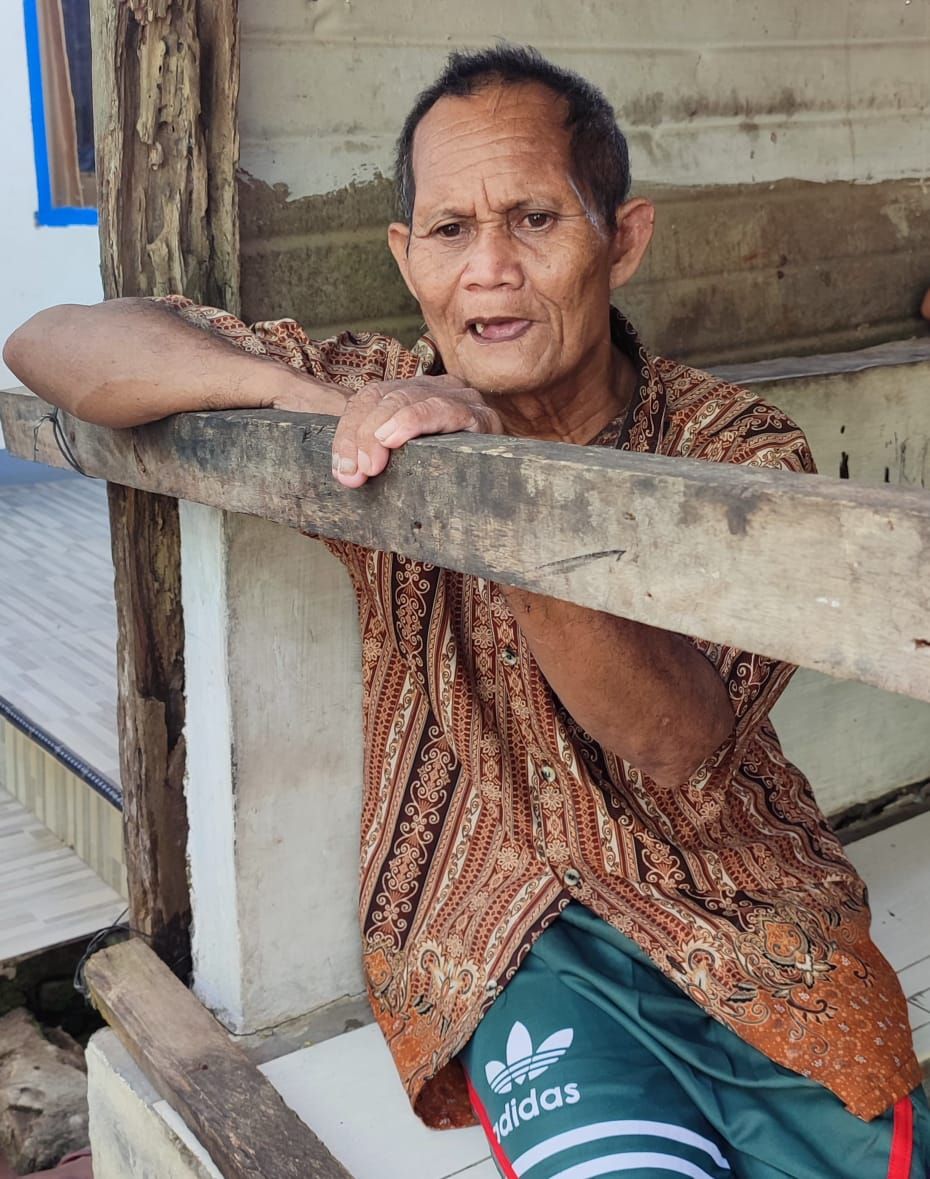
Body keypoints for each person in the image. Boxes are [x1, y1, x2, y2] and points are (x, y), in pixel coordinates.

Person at [5, 44, 928, 1179]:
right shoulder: (388, 395)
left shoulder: (735, 449)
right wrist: (326, 405)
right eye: (450, 230)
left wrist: (492, 479)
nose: (488, 271)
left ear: (623, 239)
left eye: (534, 219)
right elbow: (50, 342)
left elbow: (676, 740)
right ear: (407, 256)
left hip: (752, 922)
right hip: (501, 932)